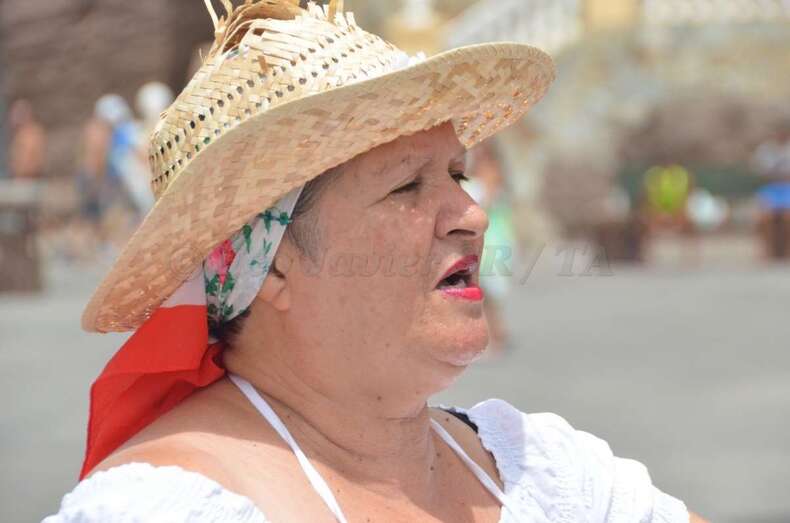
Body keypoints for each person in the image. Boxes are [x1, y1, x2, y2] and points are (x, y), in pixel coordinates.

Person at [46, 2, 707, 522]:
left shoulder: (545, 470)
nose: (472, 215)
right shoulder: (163, 508)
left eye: (457, 174)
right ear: (271, 263)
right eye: (407, 186)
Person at [8, 99, 46, 180]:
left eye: (16, 114)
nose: (12, 118)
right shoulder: (19, 134)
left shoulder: (32, 134)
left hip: (28, 179)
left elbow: (31, 162)